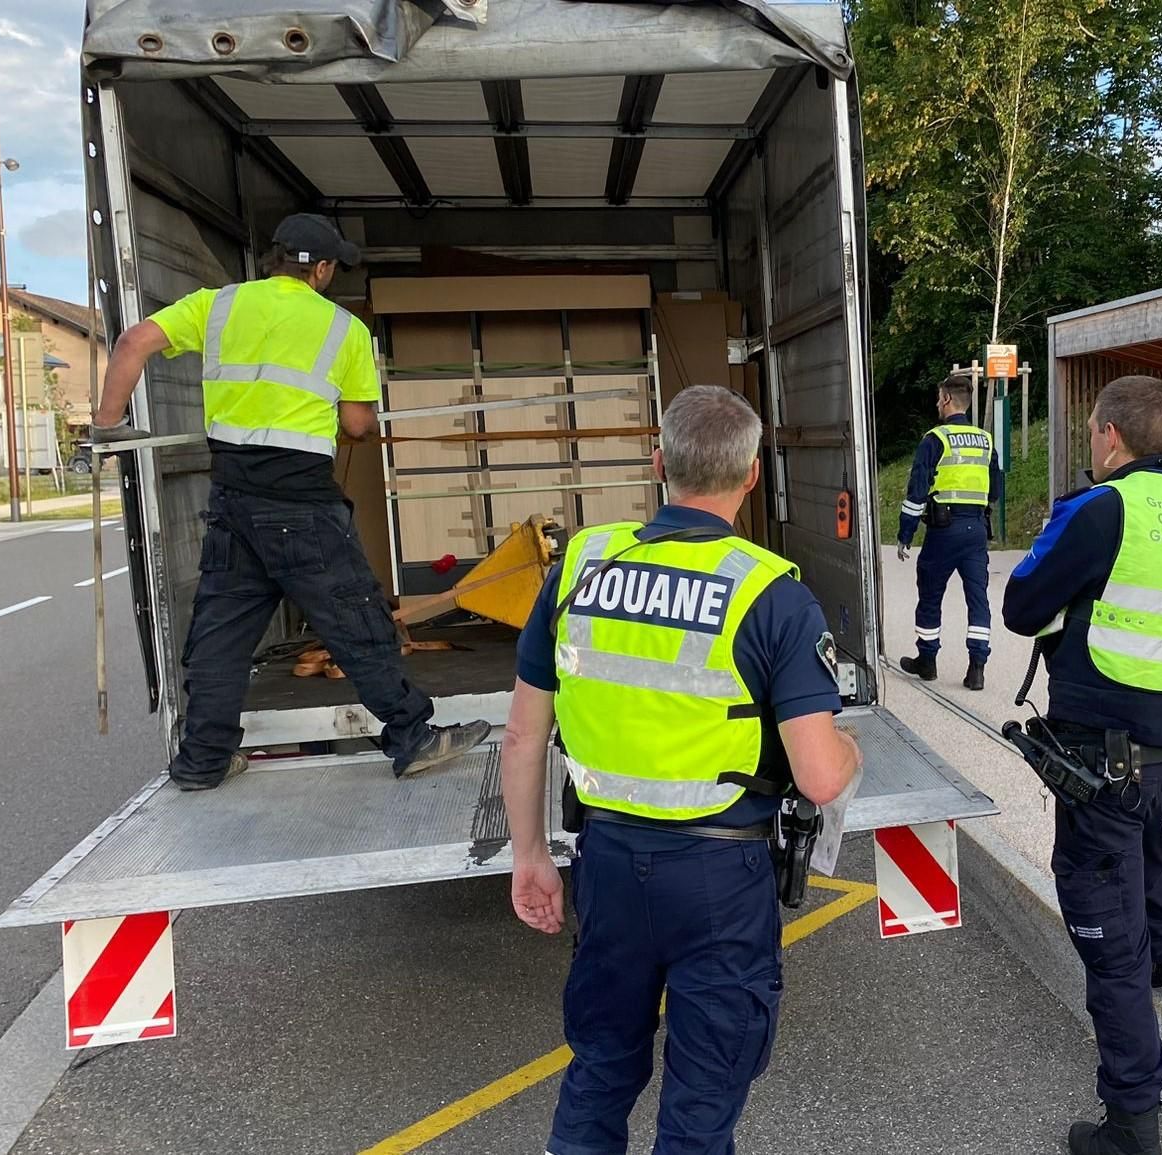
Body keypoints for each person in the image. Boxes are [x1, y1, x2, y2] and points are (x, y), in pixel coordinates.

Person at [500, 384, 862, 1155]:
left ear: (658, 461)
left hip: (606, 862)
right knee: (700, 1106)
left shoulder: (580, 564)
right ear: (752, 474)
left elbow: (523, 736)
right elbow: (821, 778)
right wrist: (851, 750)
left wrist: (529, 855)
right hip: (720, 880)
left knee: (599, 1067)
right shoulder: (771, 592)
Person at [91, 213, 491, 790]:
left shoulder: (219, 305)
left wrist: (108, 428)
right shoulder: (343, 328)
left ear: (276, 258)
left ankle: (203, 759)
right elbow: (357, 424)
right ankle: (412, 737)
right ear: (322, 269)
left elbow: (134, 343)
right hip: (302, 503)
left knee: (222, 635)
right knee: (358, 621)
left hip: (233, 501)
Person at [1000, 375, 1162, 1155]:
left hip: (1103, 755)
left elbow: (1020, 607)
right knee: (1142, 842)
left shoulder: (1102, 508)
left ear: (1109, 434)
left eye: (1092, 432)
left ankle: (1133, 1125)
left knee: (1108, 939)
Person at [896, 372, 1003, 690]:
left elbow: (917, 491)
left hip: (943, 530)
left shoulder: (935, 439)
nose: (937, 405)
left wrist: (905, 534)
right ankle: (977, 669)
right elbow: (995, 491)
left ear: (946, 399)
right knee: (978, 598)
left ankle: (927, 661)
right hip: (976, 530)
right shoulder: (986, 441)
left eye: (938, 399)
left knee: (930, 593)